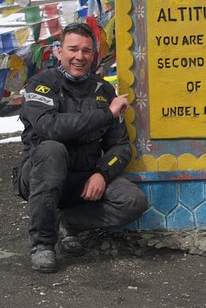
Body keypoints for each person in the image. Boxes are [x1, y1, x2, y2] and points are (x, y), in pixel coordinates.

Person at [13, 22, 148, 273]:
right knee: (52, 149)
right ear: (58, 51)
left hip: (83, 177)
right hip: (40, 175)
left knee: (133, 201)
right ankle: (43, 243)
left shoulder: (103, 90)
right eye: (73, 49)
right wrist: (106, 114)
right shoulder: (40, 85)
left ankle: (68, 222)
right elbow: (49, 127)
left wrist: (101, 173)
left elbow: (120, 146)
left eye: (86, 51)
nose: (79, 57)